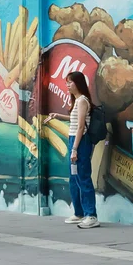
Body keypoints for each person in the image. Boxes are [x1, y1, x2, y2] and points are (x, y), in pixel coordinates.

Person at [45, 71, 100, 229]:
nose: (67, 85)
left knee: (83, 177)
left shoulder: (83, 100)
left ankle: (91, 215)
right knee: (74, 177)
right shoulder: (77, 101)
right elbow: (76, 120)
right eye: (66, 82)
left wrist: (75, 149)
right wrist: (59, 116)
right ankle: (79, 213)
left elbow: (81, 126)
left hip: (80, 142)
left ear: (78, 83)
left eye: (70, 82)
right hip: (74, 141)